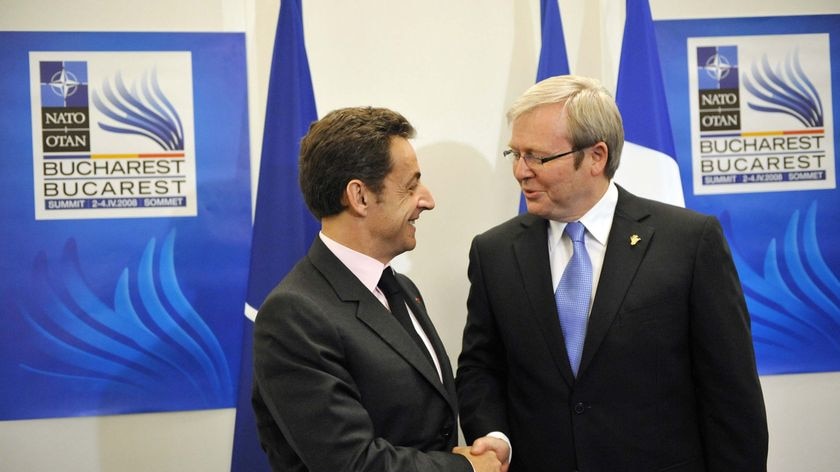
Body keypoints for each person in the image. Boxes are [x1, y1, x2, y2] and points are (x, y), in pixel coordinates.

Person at [456, 76, 769, 471]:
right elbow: (480, 367)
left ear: (596, 156)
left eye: (537, 156)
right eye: (514, 154)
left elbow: (730, 393)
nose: (521, 171)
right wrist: (495, 435)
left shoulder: (688, 242)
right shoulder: (495, 252)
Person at [252, 106, 502, 472]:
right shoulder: (294, 314)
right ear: (359, 197)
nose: (427, 200)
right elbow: (351, 463)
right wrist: (464, 469)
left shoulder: (402, 289)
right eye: (411, 185)